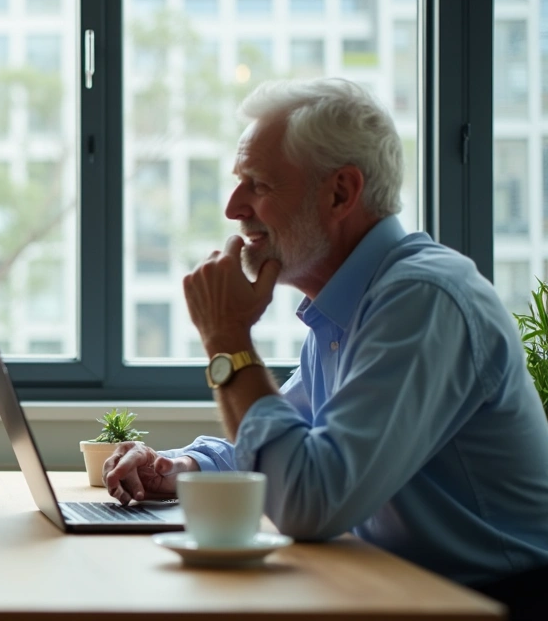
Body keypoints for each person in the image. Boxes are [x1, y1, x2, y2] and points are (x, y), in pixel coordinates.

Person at [103, 78, 548, 603]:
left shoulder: (422, 300)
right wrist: (181, 469)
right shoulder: (348, 307)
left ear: (341, 192)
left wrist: (227, 339)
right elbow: (291, 446)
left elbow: (309, 501)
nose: (232, 207)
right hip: (398, 591)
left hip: (493, 603)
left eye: (258, 184)